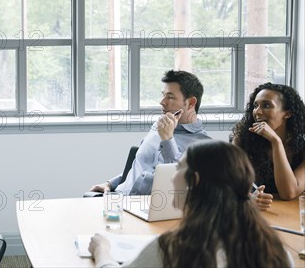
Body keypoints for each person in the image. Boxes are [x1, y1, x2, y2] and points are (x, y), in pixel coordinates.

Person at [89, 140, 294, 267]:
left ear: (194, 180)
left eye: (178, 167)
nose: (171, 177)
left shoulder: (174, 249)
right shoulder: (277, 252)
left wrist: (102, 251)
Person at [88, 70, 210, 195]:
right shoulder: (157, 126)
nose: (162, 102)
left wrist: (167, 140)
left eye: (170, 97)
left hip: (154, 209)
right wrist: (111, 183)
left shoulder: (205, 146)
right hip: (119, 197)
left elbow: (179, 183)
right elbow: (140, 164)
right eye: (163, 95)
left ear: (191, 103)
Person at [231, 83, 305, 200]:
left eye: (266, 105)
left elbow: (288, 193)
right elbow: (229, 185)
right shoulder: (243, 138)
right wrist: (249, 199)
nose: (257, 112)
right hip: (258, 211)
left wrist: (276, 142)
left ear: (288, 113)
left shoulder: (302, 145)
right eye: (255, 106)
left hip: (293, 212)